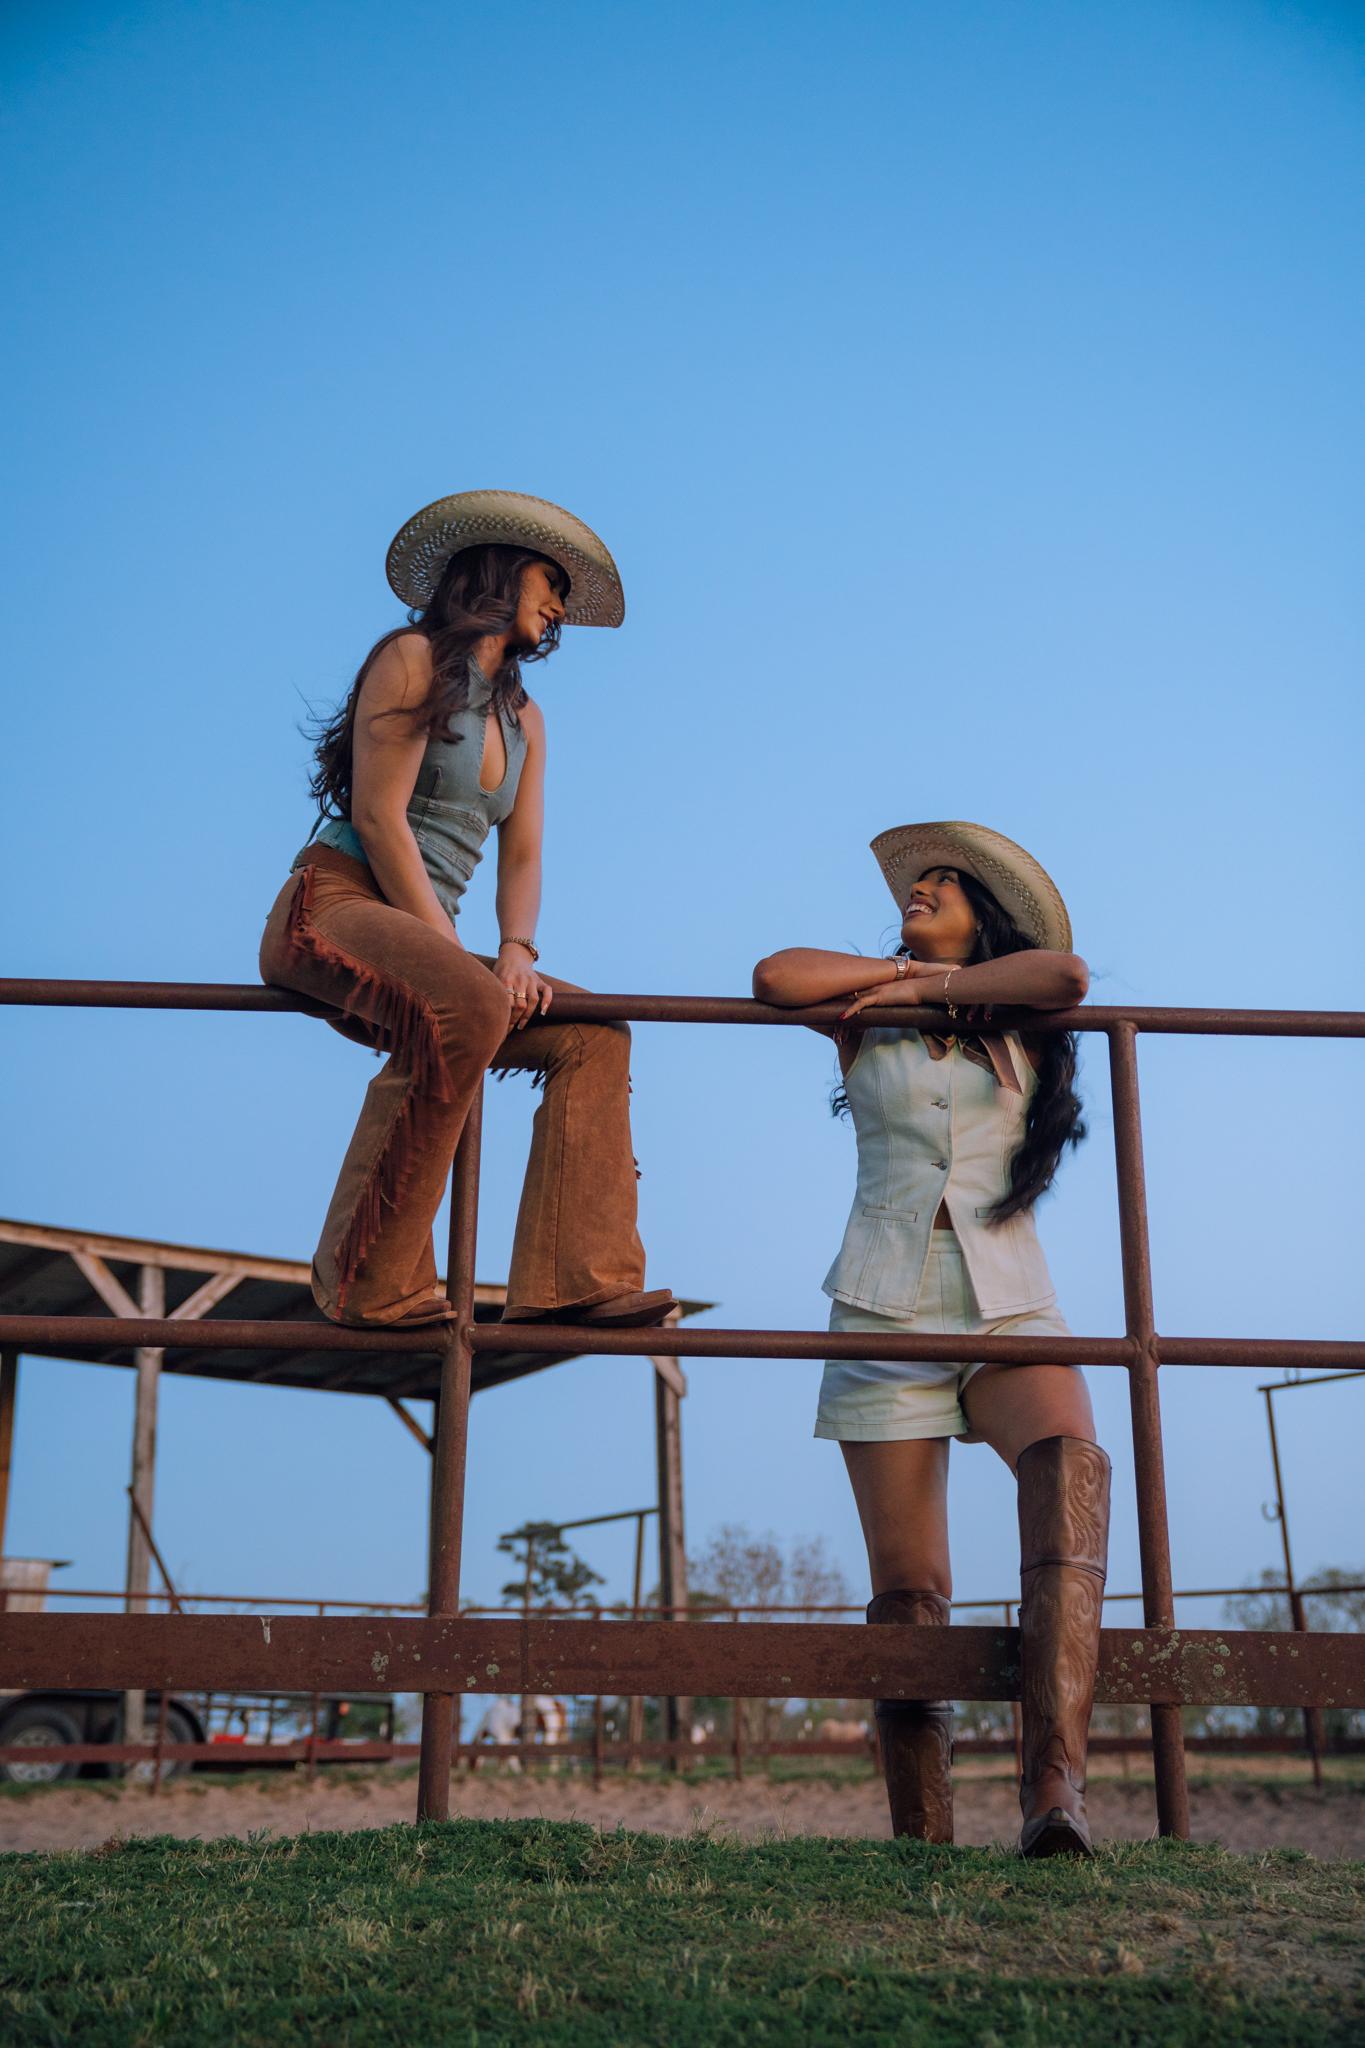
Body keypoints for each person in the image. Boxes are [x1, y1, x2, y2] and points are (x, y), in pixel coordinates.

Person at [752, 821, 1107, 1857]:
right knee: (912, 1587)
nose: (922, 887)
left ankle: (1055, 1792)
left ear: (982, 920)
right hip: (881, 1307)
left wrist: (930, 991)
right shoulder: (863, 1011)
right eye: (918, 881)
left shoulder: (1019, 1016)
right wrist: (902, 980)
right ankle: (925, 1835)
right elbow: (774, 974)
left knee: (1069, 1469)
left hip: (1012, 1304)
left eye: (944, 885)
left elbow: (1070, 971)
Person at [260, 490, 674, 1332]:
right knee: (464, 1002)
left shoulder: (525, 719)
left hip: (427, 939)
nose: (559, 604)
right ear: (495, 570)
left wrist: (517, 950)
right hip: (336, 904)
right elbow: (377, 817)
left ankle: (574, 1282)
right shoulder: (410, 658)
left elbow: (521, 855)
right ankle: (366, 1281)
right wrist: (452, 954)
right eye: (549, 580)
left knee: (595, 1031)